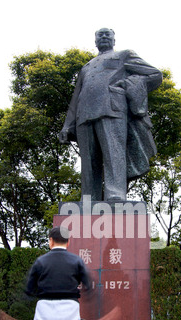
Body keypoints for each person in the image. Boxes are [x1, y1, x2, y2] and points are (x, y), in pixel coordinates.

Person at [59, 28, 162, 201]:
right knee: (89, 160)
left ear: (114, 40)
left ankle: (115, 193)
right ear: (95, 41)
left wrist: (127, 84)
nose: (104, 36)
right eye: (100, 34)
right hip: (83, 114)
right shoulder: (86, 67)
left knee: (114, 152)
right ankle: (89, 197)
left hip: (112, 109)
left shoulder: (124, 55)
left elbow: (154, 74)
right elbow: (76, 97)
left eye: (108, 34)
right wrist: (67, 125)